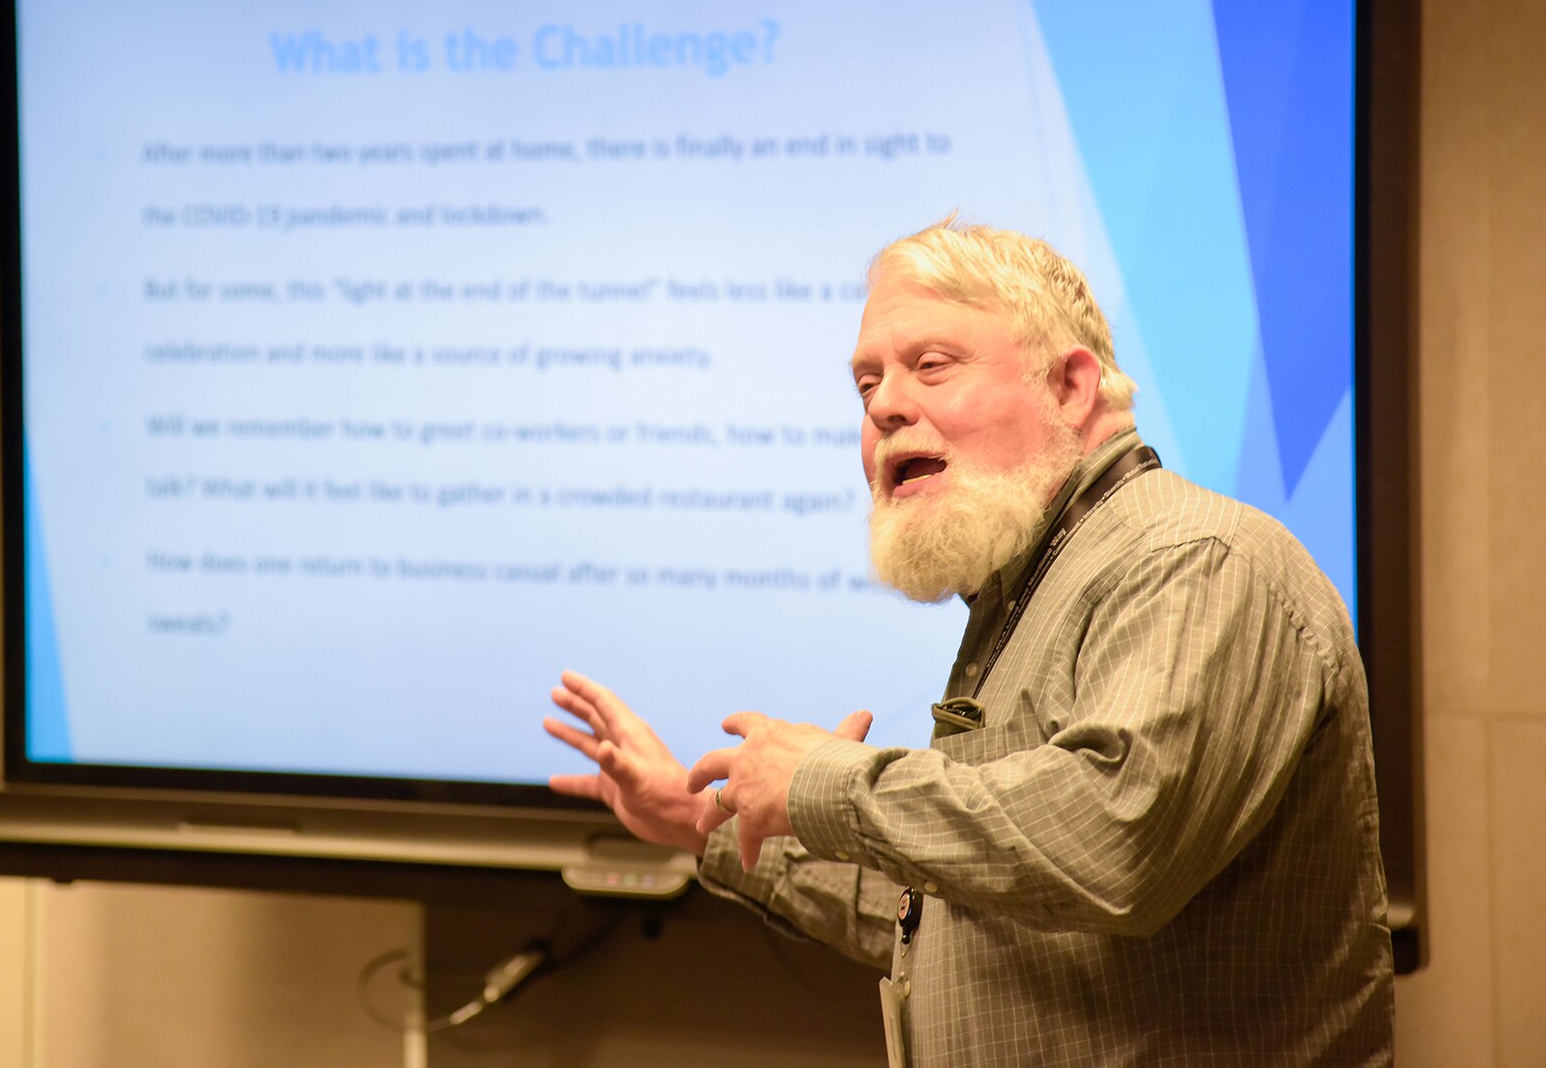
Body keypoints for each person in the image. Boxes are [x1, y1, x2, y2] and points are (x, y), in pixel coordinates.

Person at [544, 219, 1394, 1066]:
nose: (883, 405)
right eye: (866, 383)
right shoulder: (1025, 590)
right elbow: (971, 923)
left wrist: (825, 780)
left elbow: (1112, 838)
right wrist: (706, 821)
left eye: (931, 366)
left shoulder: (1194, 560)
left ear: (1071, 386)